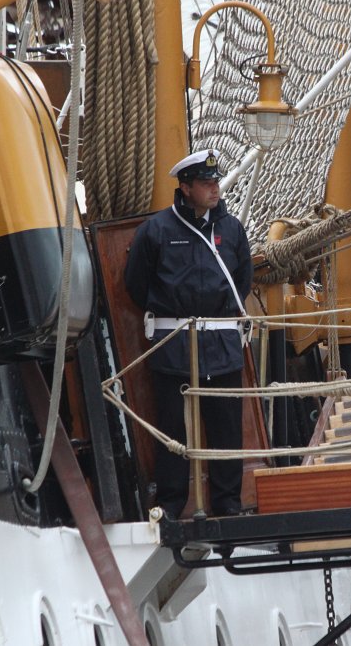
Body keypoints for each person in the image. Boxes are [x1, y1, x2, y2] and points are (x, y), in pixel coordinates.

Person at [124, 149, 253, 519]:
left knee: (226, 424)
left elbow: (242, 278)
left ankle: (227, 503)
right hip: (174, 343)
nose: (215, 189)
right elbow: (136, 284)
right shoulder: (157, 231)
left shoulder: (231, 229)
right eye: (206, 183)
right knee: (171, 427)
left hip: (221, 342)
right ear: (185, 187)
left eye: (216, 182)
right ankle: (171, 502)